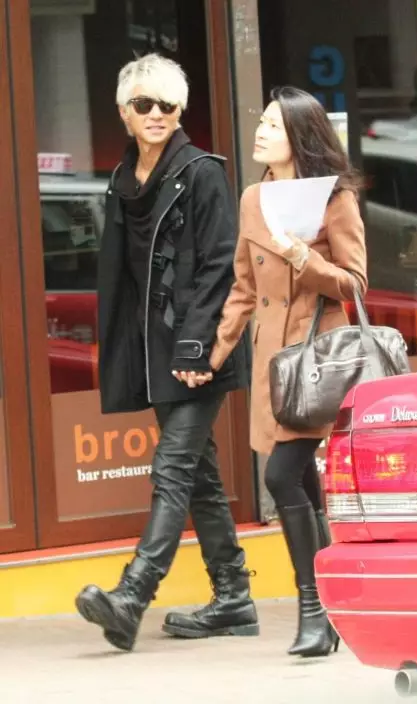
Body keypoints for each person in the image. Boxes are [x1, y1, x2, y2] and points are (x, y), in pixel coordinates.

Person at [171, 86, 367, 657]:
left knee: (281, 477)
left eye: (275, 125)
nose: (261, 132)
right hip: (273, 362)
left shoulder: (335, 198)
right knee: (302, 482)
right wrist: (212, 354)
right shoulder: (254, 198)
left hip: (318, 361)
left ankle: (314, 610)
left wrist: (303, 255)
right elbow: (243, 287)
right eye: (263, 122)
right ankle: (337, 606)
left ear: (301, 137)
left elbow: (355, 284)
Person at [75, 53, 258, 651]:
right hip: (154, 351)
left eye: (168, 104)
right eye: (144, 104)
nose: (156, 114)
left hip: (198, 349)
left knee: (173, 469)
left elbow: (220, 266)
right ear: (124, 113)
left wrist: (195, 346)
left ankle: (132, 595)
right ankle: (234, 597)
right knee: (200, 477)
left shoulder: (202, 173)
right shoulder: (122, 182)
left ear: (180, 111)